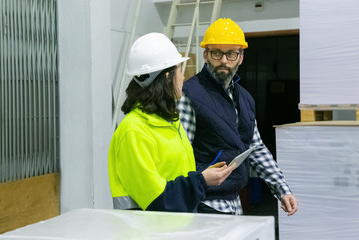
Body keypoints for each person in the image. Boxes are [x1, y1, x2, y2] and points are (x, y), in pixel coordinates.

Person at [178, 18, 298, 216]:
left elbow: (256, 147)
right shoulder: (190, 95)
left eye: (231, 53)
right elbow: (180, 154)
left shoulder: (244, 98)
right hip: (203, 204)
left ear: (241, 57)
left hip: (233, 202)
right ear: (206, 54)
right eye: (217, 53)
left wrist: (282, 189)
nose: (224, 60)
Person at [108, 32, 235, 212]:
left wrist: (203, 177)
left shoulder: (170, 122)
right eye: (180, 71)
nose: (183, 77)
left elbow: (175, 177)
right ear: (168, 77)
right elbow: (157, 200)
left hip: (175, 227)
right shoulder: (134, 131)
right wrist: (202, 180)